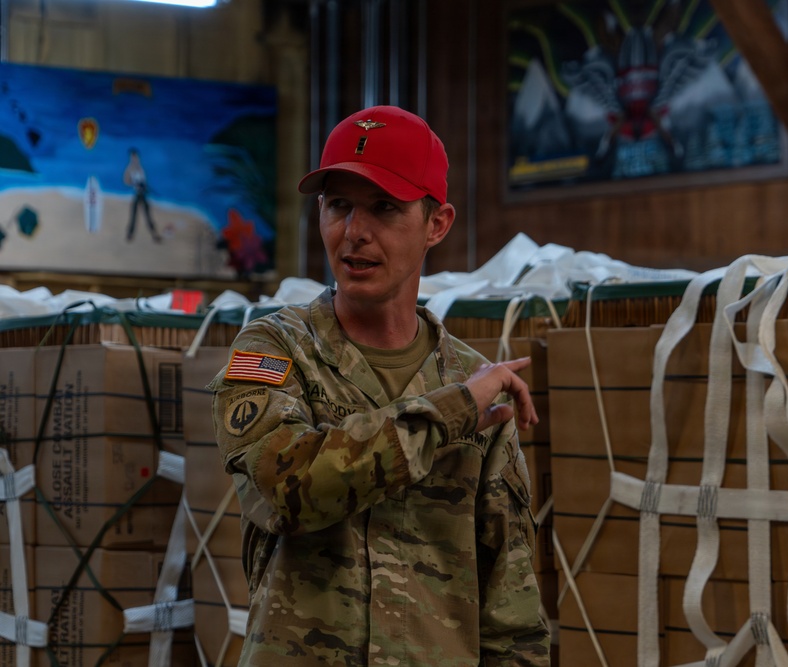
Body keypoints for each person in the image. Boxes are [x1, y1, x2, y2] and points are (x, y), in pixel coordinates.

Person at [209, 105, 550, 666]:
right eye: (338, 205)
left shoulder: (470, 381)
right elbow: (288, 491)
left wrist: (462, 402)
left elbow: (510, 612)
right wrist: (449, 414)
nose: (354, 232)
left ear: (437, 224)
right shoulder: (276, 350)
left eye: (384, 207)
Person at [123, 147, 162, 242]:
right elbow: (126, 181)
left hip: (143, 194)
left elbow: (144, 180)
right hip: (137, 194)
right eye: (133, 157)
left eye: (136, 157)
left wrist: (143, 186)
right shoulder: (130, 168)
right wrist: (135, 184)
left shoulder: (140, 168)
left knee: (148, 216)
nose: (135, 159)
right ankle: (130, 235)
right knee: (134, 216)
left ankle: (154, 235)